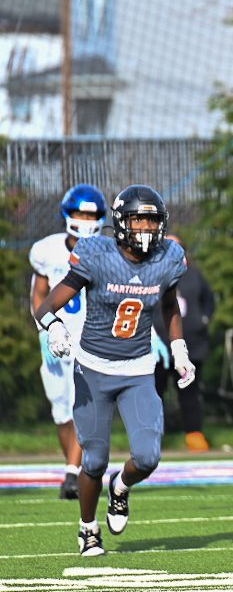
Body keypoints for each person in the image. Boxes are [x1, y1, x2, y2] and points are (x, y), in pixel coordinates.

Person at [33, 184, 196, 556]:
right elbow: (46, 305)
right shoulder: (97, 255)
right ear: (121, 222)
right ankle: (88, 528)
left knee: (148, 457)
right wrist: (54, 327)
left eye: (152, 221)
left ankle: (120, 487)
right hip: (93, 368)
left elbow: (170, 304)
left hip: (138, 369)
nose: (146, 228)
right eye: (138, 220)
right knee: (93, 459)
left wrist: (179, 347)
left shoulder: (168, 257)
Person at [29, 184, 106, 500]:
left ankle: (74, 474)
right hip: (56, 339)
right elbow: (38, 295)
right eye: (80, 214)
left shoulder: (106, 251)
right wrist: (44, 330)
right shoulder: (46, 250)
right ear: (67, 214)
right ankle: (73, 469)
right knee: (61, 411)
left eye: (91, 215)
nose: (85, 220)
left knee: (82, 408)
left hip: (91, 340)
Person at [151, 234, 216, 453]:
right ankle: (151, 436)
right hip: (159, 347)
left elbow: (209, 299)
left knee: (190, 393)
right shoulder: (151, 273)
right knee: (154, 393)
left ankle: (194, 434)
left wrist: (204, 319)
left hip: (191, 345)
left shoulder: (194, 274)